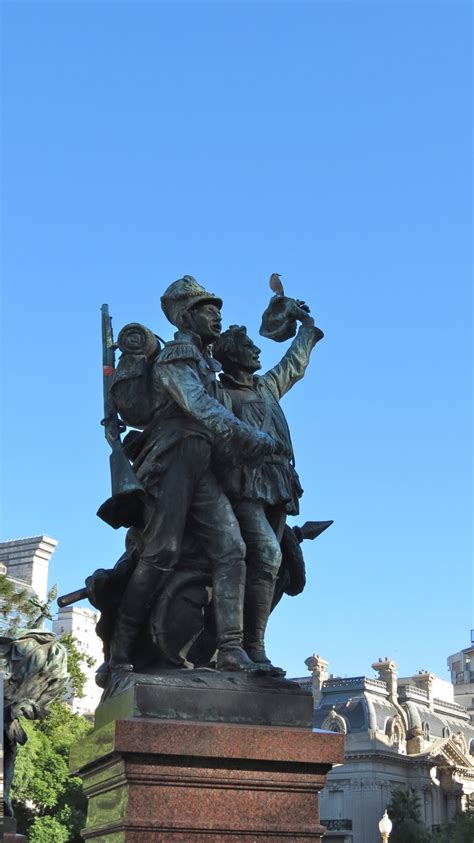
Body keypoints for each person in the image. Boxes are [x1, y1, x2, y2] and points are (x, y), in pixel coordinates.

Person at [108, 276, 280, 674]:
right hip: (173, 460)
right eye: (208, 310)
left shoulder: (202, 359)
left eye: (218, 310)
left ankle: (232, 648)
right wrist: (248, 437)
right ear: (186, 316)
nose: (217, 316)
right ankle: (120, 651)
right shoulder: (179, 356)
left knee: (231, 548)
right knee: (161, 553)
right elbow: (200, 406)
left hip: (200, 463)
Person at [212, 300, 323, 674]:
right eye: (248, 347)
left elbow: (293, 366)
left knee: (268, 568)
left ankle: (254, 646)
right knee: (267, 555)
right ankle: (242, 646)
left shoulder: (267, 387)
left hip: (278, 482)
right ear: (231, 355)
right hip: (243, 482)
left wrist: (306, 329)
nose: (257, 350)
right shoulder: (220, 394)